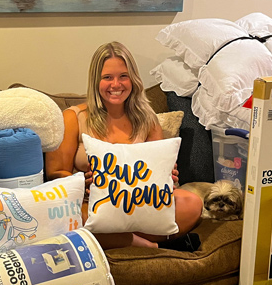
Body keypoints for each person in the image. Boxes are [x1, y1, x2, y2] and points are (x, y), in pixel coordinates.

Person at [45, 41, 203, 250]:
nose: (116, 84)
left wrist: (167, 177)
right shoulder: (73, 118)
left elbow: (158, 174)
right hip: (90, 205)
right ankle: (147, 245)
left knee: (192, 203)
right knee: (67, 218)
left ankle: (117, 239)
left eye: (123, 76)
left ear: (133, 79)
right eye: (107, 77)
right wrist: (82, 182)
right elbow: (55, 173)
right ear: (95, 81)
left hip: (140, 203)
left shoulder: (148, 120)